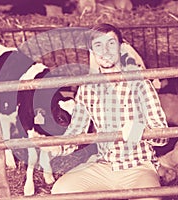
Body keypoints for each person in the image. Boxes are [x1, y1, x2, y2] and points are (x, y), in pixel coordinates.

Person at [49, 23, 168, 200]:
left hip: (138, 167)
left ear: (120, 47)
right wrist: (57, 147)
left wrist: (137, 131)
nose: (105, 51)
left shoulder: (141, 84)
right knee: (61, 190)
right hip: (104, 165)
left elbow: (163, 135)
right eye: (98, 45)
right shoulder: (87, 88)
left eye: (111, 44)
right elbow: (76, 131)